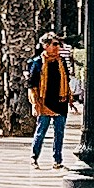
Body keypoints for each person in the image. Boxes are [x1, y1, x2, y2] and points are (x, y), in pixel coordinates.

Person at [28, 26, 73, 168]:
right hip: (44, 102)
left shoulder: (62, 62)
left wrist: (69, 97)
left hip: (60, 102)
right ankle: (34, 157)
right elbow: (32, 84)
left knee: (59, 133)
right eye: (54, 44)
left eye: (58, 44)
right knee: (41, 132)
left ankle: (57, 160)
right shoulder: (38, 63)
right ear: (45, 46)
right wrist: (35, 103)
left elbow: (67, 80)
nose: (57, 47)